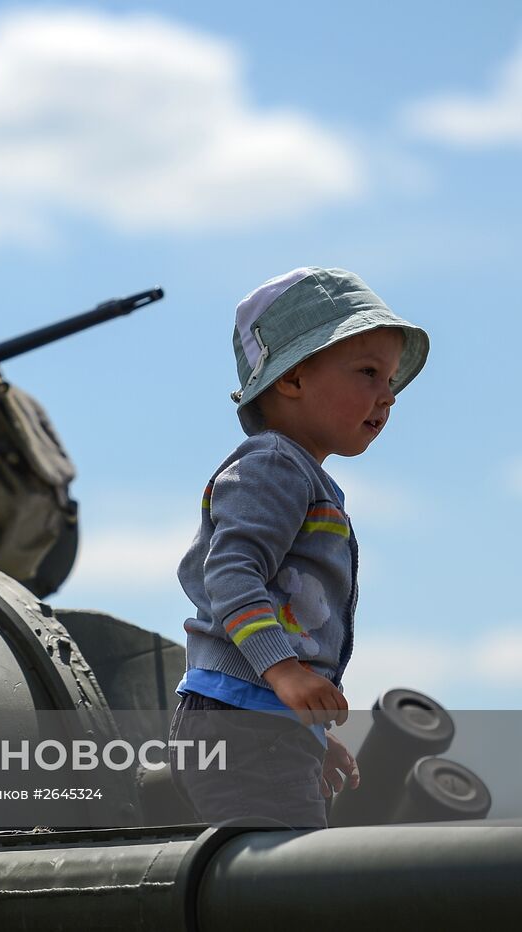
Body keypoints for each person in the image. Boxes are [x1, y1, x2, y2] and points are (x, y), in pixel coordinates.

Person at [168, 267, 429, 828]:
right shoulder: (274, 466)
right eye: (367, 372)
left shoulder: (299, 474)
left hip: (254, 720)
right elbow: (232, 573)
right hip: (240, 720)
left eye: (390, 381)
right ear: (291, 379)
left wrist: (306, 736)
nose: (387, 396)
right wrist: (284, 673)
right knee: (281, 886)